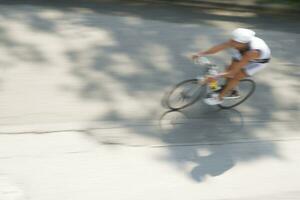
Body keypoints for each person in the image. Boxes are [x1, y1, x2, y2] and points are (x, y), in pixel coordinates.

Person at [192, 28, 271, 105]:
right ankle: (229, 88)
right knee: (228, 68)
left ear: (243, 43)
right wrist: (201, 54)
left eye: (235, 42)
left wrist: (216, 76)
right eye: (232, 40)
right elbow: (219, 47)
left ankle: (220, 97)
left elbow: (232, 73)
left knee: (237, 76)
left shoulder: (252, 52)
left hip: (257, 62)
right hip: (244, 54)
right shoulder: (238, 41)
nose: (232, 43)